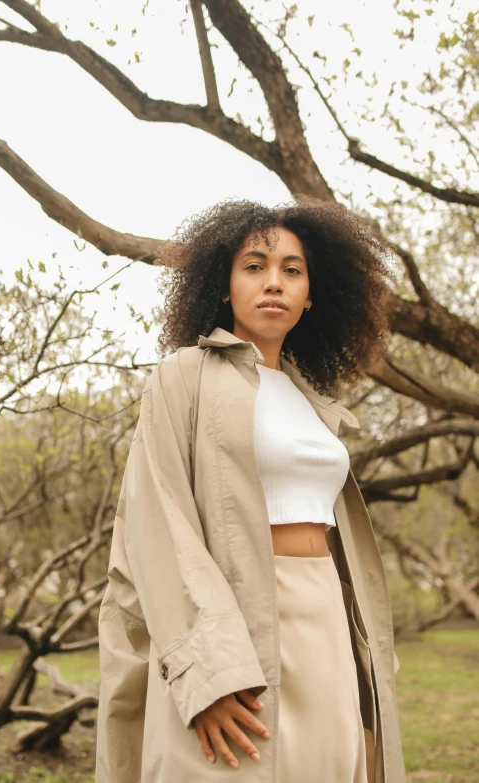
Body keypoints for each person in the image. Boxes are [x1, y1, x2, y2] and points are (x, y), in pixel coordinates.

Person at [95, 195, 406, 783]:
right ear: (224, 286)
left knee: (332, 765)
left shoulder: (311, 398)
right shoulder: (184, 375)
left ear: (311, 294)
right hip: (235, 616)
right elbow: (158, 524)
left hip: (326, 617)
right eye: (254, 266)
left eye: (292, 270)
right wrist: (206, 669)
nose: (274, 283)